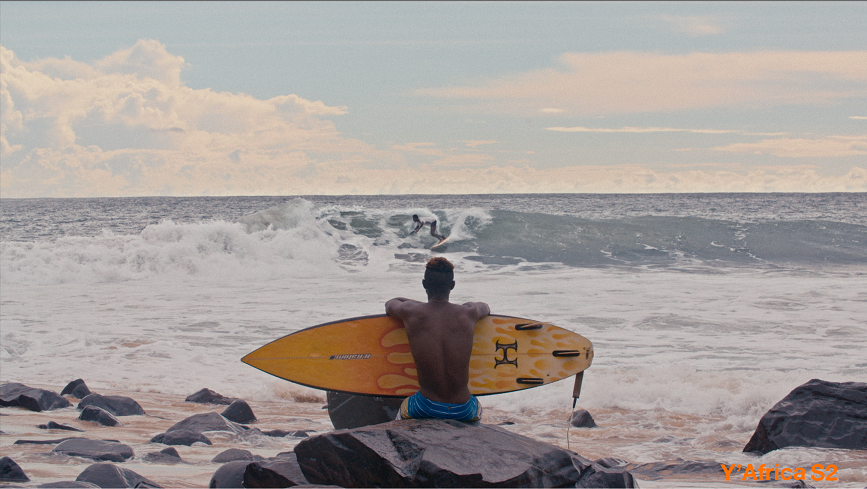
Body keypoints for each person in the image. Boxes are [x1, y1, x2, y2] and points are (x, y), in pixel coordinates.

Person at [385, 257, 490, 422]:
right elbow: (485, 306)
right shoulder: (468, 313)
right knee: (476, 411)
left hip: (425, 406)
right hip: (463, 408)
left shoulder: (411, 312)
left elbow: (390, 304)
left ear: (424, 284)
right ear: (452, 285)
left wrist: (419, 305)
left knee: (401, 416)